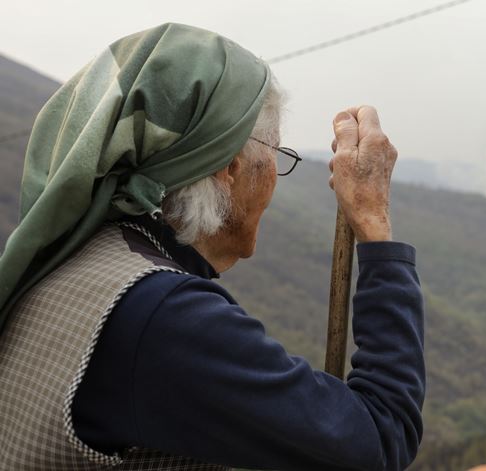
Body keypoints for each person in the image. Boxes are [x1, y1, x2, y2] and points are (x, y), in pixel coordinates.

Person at [0, 23, 424, 471]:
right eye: (277, 156)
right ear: (229, 167)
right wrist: (373, 222)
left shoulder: (76, 256)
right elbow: (381, 437)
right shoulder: (162, 316)